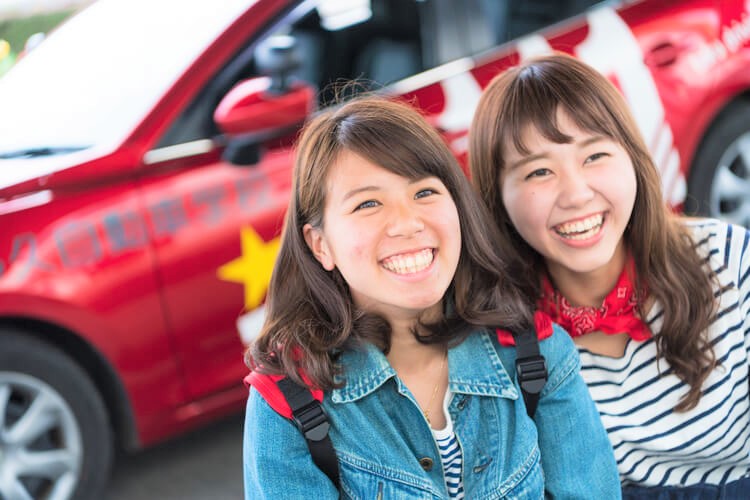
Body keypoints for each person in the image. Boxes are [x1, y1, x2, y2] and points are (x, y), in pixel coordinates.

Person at [243, 96, 620, 498]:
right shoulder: (287, 401)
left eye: (424, 193)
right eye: (368, 203)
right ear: (321, 245)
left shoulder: (537, 355)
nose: (407, 222)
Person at [469, 54, 750, 498]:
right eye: (539, 171)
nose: (577, 194)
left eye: (595, 155)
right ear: (497, 198)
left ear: (633, 159)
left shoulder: (731, 262)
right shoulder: (500, 348)